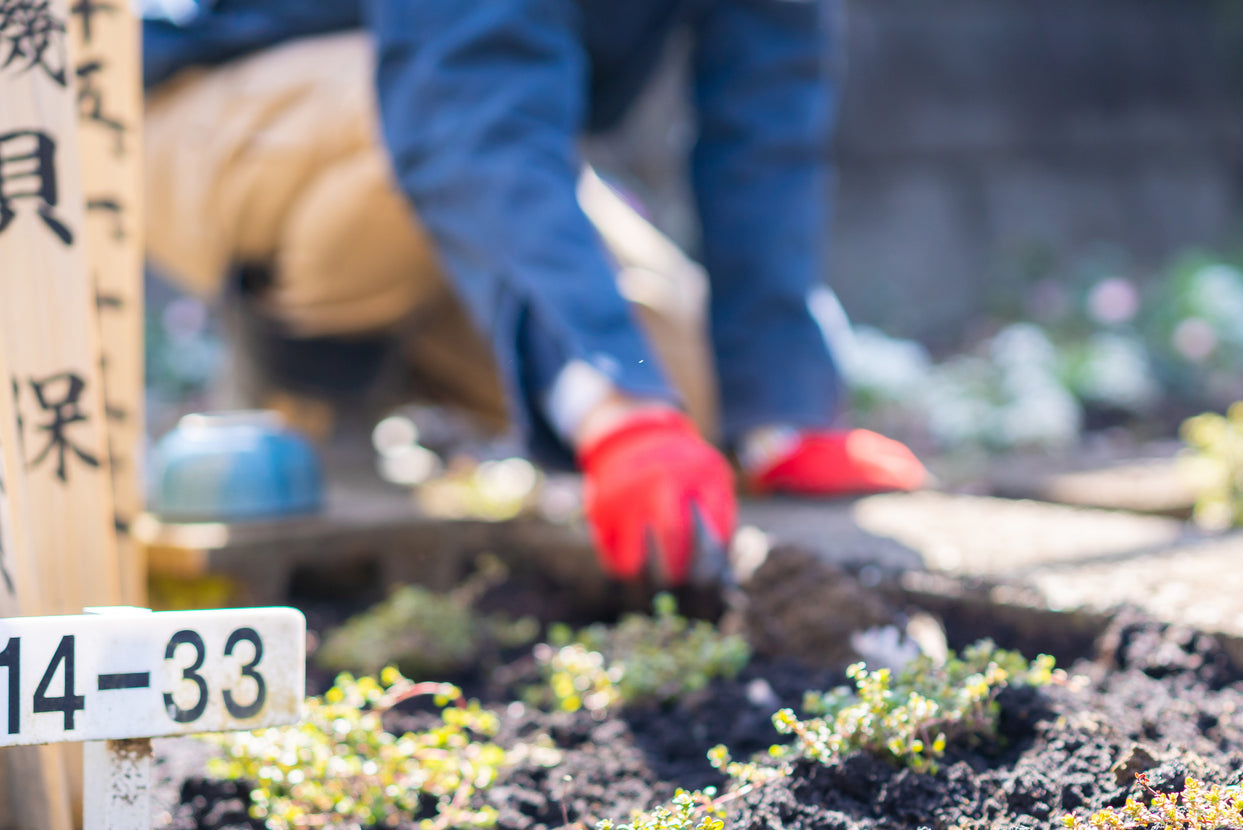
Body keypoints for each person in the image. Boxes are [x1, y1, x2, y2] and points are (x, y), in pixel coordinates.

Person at [141, 1, 927, 583]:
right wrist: (612, 402)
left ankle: (424, 342)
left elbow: (767, 113)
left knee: (696, 395)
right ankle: (303, 376)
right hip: (224, 107)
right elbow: (464, 105)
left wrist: (776, 408)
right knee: (404, 122)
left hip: (470, 140)